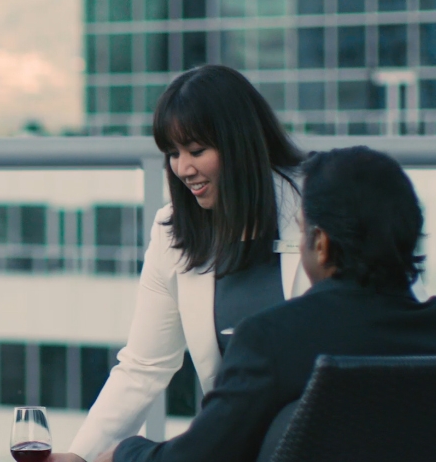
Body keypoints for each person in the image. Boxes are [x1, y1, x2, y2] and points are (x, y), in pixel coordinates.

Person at [98, 146, 436, 462]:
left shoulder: (271, 340)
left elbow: (201, 456)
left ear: (321, 244)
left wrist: (125, 452)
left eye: (303, 231)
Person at [50, 64, 309, 462]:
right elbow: (143, 367)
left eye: (197, 151)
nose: (183, 169)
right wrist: (80, 457)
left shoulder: (316, 208)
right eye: (173, 153)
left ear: (239, 142)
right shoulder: (172, 233)